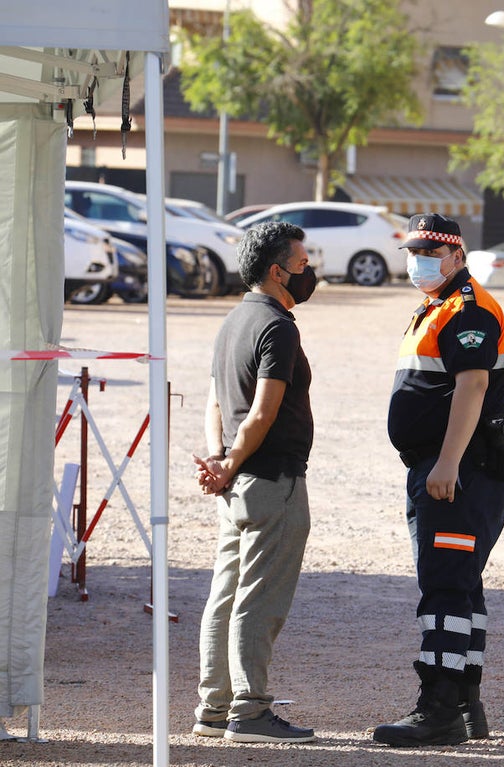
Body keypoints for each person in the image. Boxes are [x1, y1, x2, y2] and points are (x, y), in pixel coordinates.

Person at [373, 213, 504, 748]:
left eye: (431, 253)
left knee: (444, 588)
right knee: (461, 583)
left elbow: (473, 386)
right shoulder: (438, 306)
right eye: (413, 252)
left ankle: (439, 706)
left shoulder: (468, 309)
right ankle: (464, 704)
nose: (420, 262)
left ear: (457, 256)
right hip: (453, 468)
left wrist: (447, 463)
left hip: (460, 472)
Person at [191, 221, 319, 744]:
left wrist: (222, 460)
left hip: (236, 484)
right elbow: (263, 410)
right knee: (258, 600)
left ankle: (213, 708)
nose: (310, 273)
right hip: (272, 481)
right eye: (304, 265)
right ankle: (249, 711)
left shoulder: (233, 321)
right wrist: (233, 457)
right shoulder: (277, 326)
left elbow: (215, 402)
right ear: (277, 270)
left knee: (225, 594)